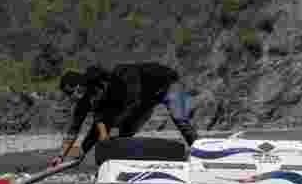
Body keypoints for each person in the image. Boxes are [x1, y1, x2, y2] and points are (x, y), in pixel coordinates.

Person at [49, 63, 197, 166]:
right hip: (143, 101)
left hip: (167, 83)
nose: (73, 96)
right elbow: (73, 131)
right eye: (70, 94)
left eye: (75, 91)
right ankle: (125, 166)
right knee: (121, 132)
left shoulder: (121, 79)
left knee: (180, 120)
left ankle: (201, 153)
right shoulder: (85, 102)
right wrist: (62, 156)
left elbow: (129, 108)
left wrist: (103, 130)